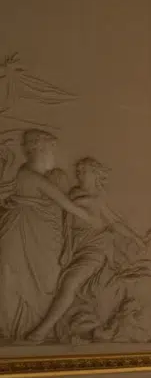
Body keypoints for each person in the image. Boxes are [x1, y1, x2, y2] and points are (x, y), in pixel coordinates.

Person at [22, 157, 151, 343]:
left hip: (95, 248)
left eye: (83, 171)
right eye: (78, 171)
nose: (79, 174)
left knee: (70, 282)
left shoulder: (98, 199)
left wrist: (137, 239)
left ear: (95, 174)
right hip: (75, 247)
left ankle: (41, 332)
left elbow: (115, 222)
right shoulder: (74, 193)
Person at [0, 130, 96, 342]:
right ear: (41, 149)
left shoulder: (33, 175)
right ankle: (14, 329)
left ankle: (27, 328)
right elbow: (66, 204)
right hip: (22, 235)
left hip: (37, 238)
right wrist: (91, 217)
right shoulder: (29, 176)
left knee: (41, 280)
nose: (54, 155)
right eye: (52, 149)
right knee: (17, 279)